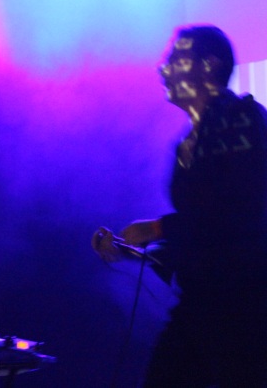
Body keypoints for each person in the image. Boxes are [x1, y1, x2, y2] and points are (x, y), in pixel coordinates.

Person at [92, 25, 267, 387]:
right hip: (202, 301)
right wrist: (130, 251)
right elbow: (200, 237)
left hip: (245, 301)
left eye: (175, 58)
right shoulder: (186, 144)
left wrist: (158, 228)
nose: (164, 68)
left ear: (209, 66)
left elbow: (239, 211)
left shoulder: (243, 118)